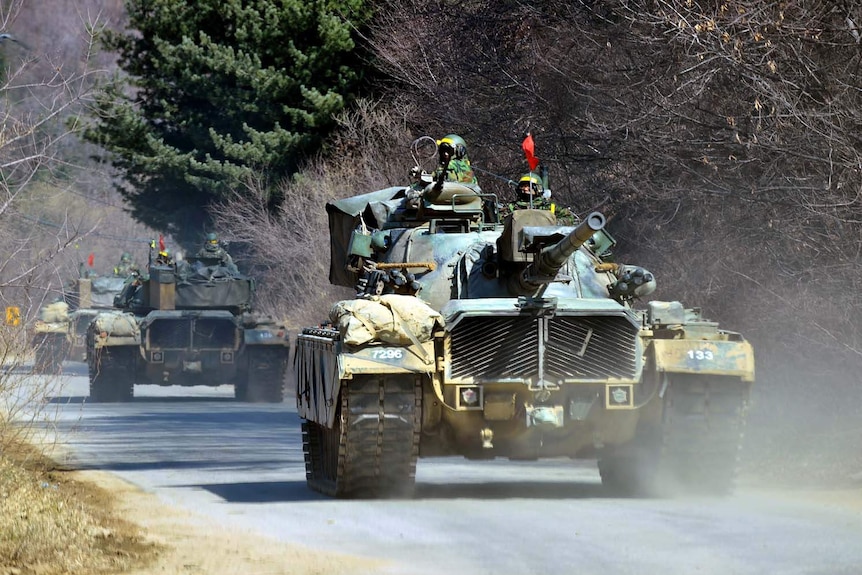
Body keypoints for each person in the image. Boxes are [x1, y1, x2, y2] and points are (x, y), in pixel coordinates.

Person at [508, 172, 576, 224]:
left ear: (538, 188)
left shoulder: (549, 207)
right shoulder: (512, 207)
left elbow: (569, 218)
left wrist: (553, 223)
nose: (526, 189)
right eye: (523, 186)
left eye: (529, 186)